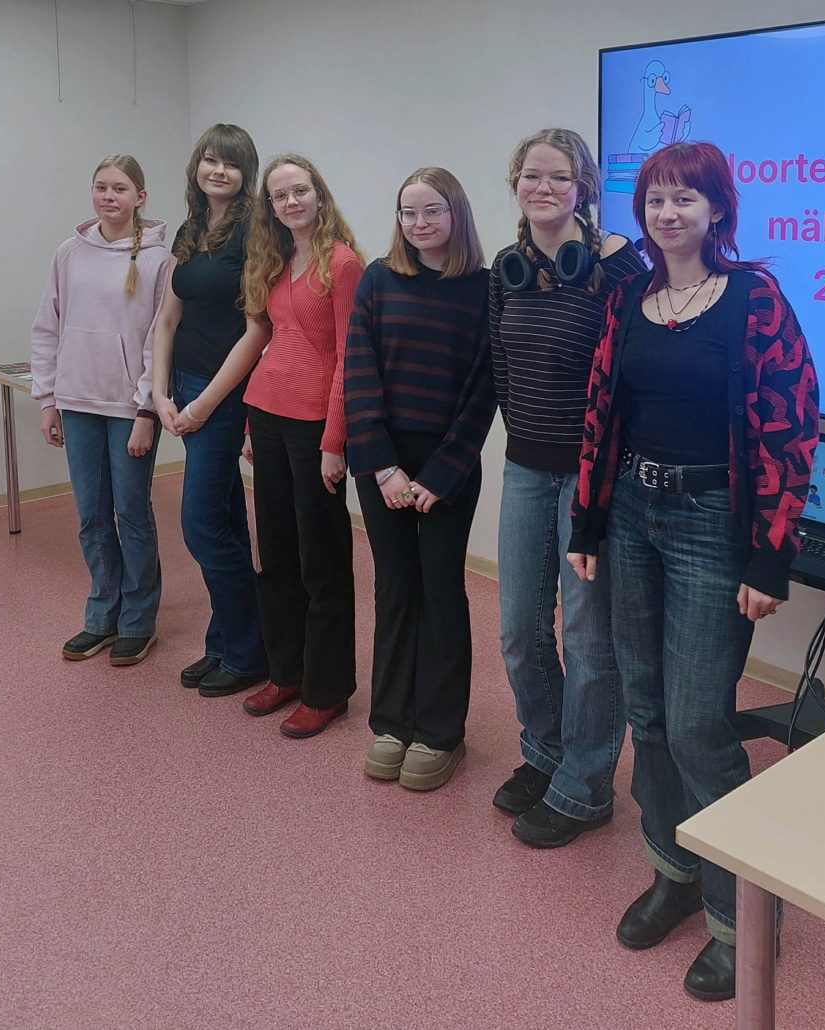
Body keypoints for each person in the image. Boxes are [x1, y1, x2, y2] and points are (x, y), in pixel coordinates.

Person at [567, 141, 819, 1001]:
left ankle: (739, 917)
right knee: (644, 709)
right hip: (631, 517)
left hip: (713, 523)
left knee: (698, 724)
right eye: (655, 199)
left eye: (684, 198)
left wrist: (770, 555)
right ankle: (673, 871)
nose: (667, 212)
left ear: (716, 210)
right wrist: (588, 522)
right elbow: (602, 412)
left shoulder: (754, 298)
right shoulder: (631, 299)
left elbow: (790, 426)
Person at [489, 129, 646, 846]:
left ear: (583, 186)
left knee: (587, 637)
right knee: (519, 629)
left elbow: (634, 370)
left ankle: (585, 784)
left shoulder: (618, 267)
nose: (543, 188)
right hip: (524, 469)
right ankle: (545, 753)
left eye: (558, 177)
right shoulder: (508, 267)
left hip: (592, 478)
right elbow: (500, 365)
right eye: (531, 176)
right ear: (515, 184)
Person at [345, 167, 495, 791]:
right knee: (395, 588)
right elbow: (358, 373)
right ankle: (391, 723)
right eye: (408, 213)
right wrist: (383, 467)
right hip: (382, 463)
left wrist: (440, 475)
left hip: (446, 469)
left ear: (456, 213)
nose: (419, 223)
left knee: (440, 593)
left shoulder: (485, 288)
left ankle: (439, 731)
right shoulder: (378, 278)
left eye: (432, 210)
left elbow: (484, 389)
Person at [238, 154, 365, 738]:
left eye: (300, 191)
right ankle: (286, 672)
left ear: (319, 194)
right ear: (270, 206)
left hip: (315, 427)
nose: (291, 202)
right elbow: (273, 344)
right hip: (266, 415)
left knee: (322, 560)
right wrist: (249, 428)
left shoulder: (342, 263)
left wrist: (335, 440)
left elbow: (347, 357)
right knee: (276, 555)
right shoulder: (277, 258)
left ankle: (327, 689)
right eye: (280, 195)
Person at [31, 154, 170, 666]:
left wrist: (147, 411)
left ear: (140, 197)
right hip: (77, 403)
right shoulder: (69, 253)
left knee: (131, 513)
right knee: (91, 515)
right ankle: (101, 614)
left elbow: (161, 339)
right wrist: (48, 399)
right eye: (101, 187)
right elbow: (47, 327)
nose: (109, 196)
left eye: (120, 188)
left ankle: (138, 620)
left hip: (129, 408)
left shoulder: (159, 260)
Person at [152, 124, 269, 698]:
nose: (218, 171)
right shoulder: (191, 227)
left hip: (222, 395)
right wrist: (159, 393)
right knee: (224, 520)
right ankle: (228, 642)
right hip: (183, 386)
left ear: (246, 173)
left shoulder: (253, 231)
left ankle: (249, 649)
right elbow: (167, 318)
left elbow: (257, 329)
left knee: (200, 526)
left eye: (231, 163)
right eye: (210, 160)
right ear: (196, 166)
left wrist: (201, 405)